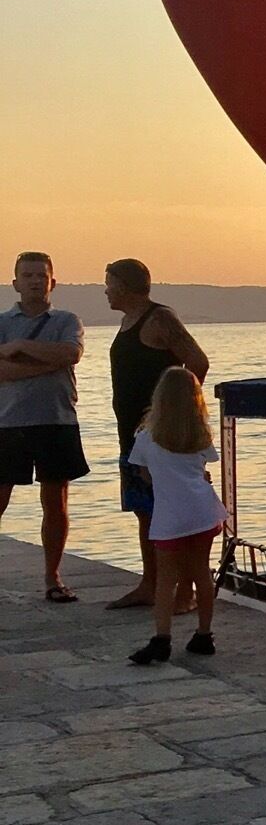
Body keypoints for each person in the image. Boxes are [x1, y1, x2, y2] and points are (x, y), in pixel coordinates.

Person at [103, 261, 210, 611]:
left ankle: (186, 591)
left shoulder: (159, 319)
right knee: (145, 511)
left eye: (109, 283)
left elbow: (197, 362)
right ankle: (150, 584)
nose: (106, 290)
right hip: (133, 436)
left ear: (124, 286)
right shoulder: (128, 322)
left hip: (163, 437)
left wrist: (177, 411)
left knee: (174, 511)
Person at [0, 252, 89, 601]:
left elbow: (70, 355)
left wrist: (20, 347)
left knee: (56, 502)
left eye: (41, 275)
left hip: (56, 420)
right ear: (16, 283)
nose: (35, 281)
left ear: (53, 281)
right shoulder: (2, 323)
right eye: (28, 275)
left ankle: (53, 577)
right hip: (8, 422)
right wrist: (47, 363)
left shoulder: (67, 320)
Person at [125, 367, 226, 666]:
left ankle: (162, 639)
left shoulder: (146, 437)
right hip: (203, 511)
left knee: (166, 579)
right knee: (201, 573)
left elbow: (144, 474)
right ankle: (204, 634)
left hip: (171, 515)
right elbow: (202, 469)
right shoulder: (200, 434)